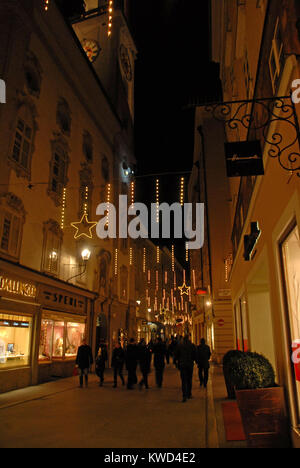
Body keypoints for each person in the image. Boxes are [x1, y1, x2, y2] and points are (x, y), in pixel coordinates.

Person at [175, 334, 197, 402]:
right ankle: (189, 394)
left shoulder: (180, 346)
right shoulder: (192, 345)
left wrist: (177, 362)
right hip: (189, 364)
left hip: (182, 364)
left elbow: (176, 355)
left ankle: (184, 395)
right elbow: (195, 354)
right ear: (189, 338)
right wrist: (194, 360)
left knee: (183, 380)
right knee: (189, 379)